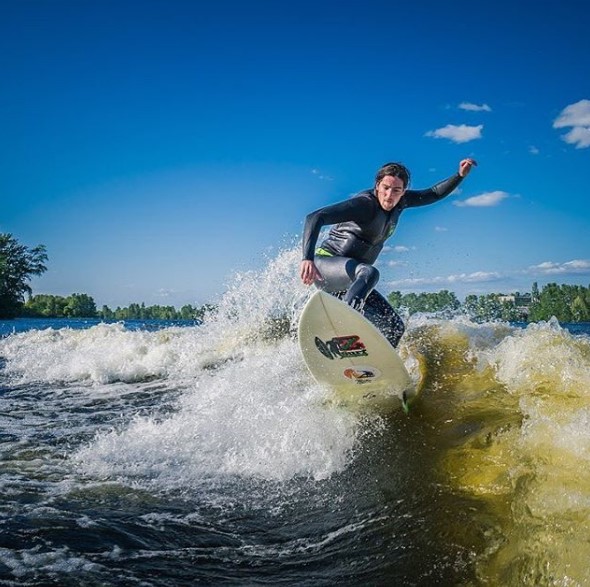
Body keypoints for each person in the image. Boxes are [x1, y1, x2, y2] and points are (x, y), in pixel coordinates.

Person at [300, 158, 477, 347]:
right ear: (377, 186)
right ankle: (343, 329)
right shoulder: (364, 204)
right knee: (369, 272)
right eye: (385, 188)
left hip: (352, 285)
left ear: (403, 192)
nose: (389, 195)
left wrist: (459, 176)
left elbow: (433, 194)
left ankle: (372, 367)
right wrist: (307, 259)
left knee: (394, 327)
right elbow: (315, 217)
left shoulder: (400, 203)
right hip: (325, 266)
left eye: (396, 191)